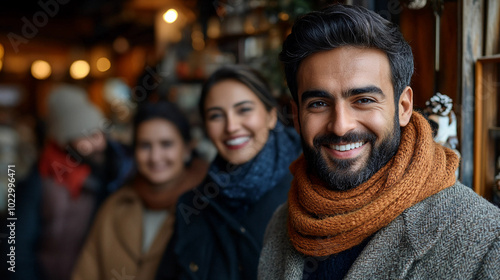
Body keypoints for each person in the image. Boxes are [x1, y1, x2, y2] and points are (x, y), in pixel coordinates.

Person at [258, 4, 500, 280]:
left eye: (363, 100)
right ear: (297, 116)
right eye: (319, 103)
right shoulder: (282, 223)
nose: (340, 126)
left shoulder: (486, 240)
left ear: (404, 107)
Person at [155, 65, 302, 280]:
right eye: (216, 116)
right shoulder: (193, 206)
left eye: (244, 110)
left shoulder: (310, 186)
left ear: (271, 116)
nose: (231, 126)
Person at [72, 101, 208, 280]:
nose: (155, 157)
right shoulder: (115, 205)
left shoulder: (208, 206)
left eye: (166, 144)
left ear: (187, 149)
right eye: (145, 146)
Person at [14, 84, 134, 280]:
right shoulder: (38, 180)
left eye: (100, 133)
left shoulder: (112, 168)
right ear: (65, 141)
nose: (100, 144)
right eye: (88, 136)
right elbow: (17, 248)